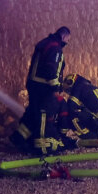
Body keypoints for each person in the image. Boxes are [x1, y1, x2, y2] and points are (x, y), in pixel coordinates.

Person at [11, 26, 71, 155]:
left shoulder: (46, 43)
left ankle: (19, 138)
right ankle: (42, 147)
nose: (67, 42)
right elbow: (52, 68)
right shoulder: (55, 48)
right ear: (64, 36)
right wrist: (55, 88)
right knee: (43, 114)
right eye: (68, 39)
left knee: (33, 113)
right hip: (44, 88)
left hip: (35, 85)